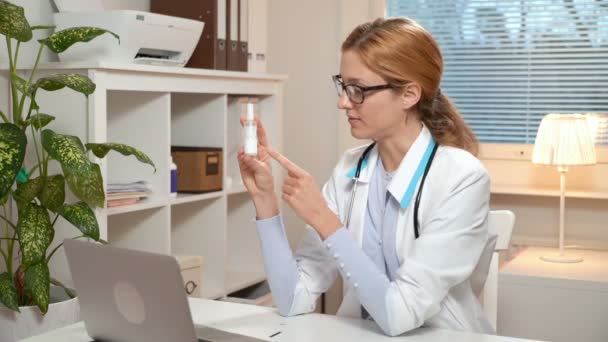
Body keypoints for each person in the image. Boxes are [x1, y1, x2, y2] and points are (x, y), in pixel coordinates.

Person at [237, 17, 493, 336]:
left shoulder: (461, 178)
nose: (343, 102)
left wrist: (322, 217)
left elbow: (400, 314)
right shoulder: (349, 168)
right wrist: (266, 202)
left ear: (409, 94)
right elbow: (292, 299)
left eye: (358, 90)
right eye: (344, 86)